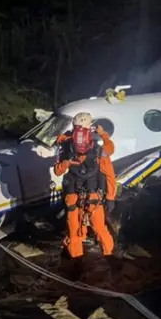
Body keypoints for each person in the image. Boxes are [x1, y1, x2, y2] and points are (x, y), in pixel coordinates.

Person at [54, 112, 116, 263]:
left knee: (74, 233)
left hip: (73, 197)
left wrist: (66, 163)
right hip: (93, 196)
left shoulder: (65, 147)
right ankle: (111, 260)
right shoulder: (99, 150)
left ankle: (77, 264)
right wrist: (110, 198)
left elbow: (58, 171)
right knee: (100, 229)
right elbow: (109, 174)